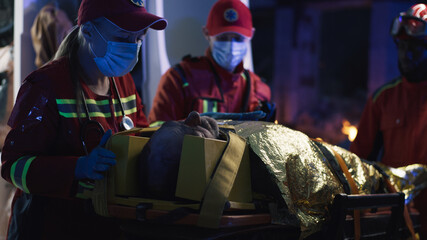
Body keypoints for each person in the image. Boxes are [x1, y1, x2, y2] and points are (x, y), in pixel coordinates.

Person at [0, 0, 167, 238]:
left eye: (139, 39)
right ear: (88, 31)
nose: (133, 47)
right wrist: (77, 168)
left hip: (107, 225)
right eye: (123, 37)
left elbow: (139, 133)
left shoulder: (123, 82)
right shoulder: (45, 86)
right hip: (51, 227)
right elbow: (13, 167)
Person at [350, 3, 427, 237]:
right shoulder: (382, 99)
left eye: (415, 45)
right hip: (394, 223)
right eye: (402, 45)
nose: (406, 53)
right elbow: (358, 165)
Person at [148, 0, 274, 126]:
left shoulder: (257, 89)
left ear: (251, 35)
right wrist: (186, 128)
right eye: (223, 38)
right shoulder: (179, 78)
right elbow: (156, 131)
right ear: (207, 33)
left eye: (238, 38)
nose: (231, 46)